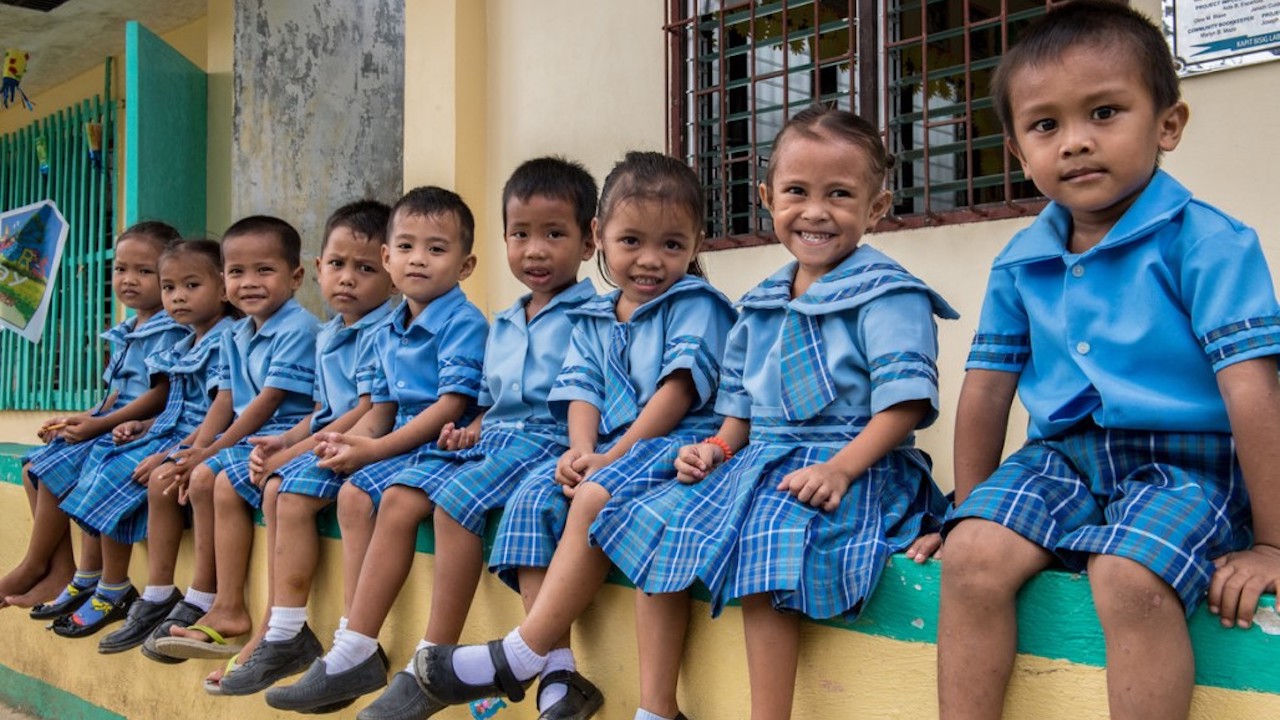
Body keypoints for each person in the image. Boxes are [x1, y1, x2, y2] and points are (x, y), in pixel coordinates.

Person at [937, 3, 1280, 719]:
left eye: (1104, 112)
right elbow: (985, 393)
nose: (1075, 143)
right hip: (1061, 458)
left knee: (1126, 576)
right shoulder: (1019, 260)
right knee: (970, 559)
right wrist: (965, 512)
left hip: (1186, 461)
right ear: (1018, 150)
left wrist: (1274, 543)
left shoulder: (1208, 243)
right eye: (1045, 125)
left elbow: (1253, 392)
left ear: (1167, 125)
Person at [588, 107, 953, 720]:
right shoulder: (759, 305)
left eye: (840, 194)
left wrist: (839, 469)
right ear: (767, 198)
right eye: (797, 192)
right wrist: (716, 449)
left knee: (770, 538)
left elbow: (906, 405)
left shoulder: (890, 293)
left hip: (856, 463)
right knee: (653, 519)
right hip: (762, 460)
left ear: (877, 207)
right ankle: (656, 708)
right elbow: (739, 418)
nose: (815, 211)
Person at [266, 157, 601, 718]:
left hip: (548, 443)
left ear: (589, 242)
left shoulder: (592, 313)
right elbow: (489, 400)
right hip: (494, 439)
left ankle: (434, 664)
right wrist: (471, 427)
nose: (536, 250)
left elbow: (590, 392)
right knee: (393, 497)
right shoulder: (508, 319)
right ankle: (355, 648)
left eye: (554, 234)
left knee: (457, 503)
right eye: (520, 235)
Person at [413, 151, 738, 720]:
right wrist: (581, 448)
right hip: (616, 445)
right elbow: (582, 389)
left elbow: (678, 393)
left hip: (676, 443)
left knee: (593, 496)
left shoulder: (697, 304)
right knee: (535, 496)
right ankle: (559, 670)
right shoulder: (594, 315)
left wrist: (610, 455)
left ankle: (523, 650)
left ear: (695, 243)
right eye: (632, 240)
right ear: (601, 236)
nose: (649, 261)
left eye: (671, 245)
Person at [265, 185, 489, 714]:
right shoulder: (389, 327)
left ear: (466, 264)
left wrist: (372, 450)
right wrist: (349, 443)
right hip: (403, 443)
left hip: (444, 443)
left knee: (394, 499)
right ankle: (354, 646)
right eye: (406, 247)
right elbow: (382, 407)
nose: (418, 260)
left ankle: (378, 653)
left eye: (437, 249)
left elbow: (449, 408)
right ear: (388, 258)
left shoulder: (463, 322)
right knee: (350, 496)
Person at [205, 200, 396, 696]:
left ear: (392, 273)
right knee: (274, 488)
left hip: (372, 442)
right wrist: (283, 441)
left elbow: (368, 411)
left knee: (287, 490)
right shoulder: (331, 332)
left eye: (365, 268)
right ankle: (282, 631)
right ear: (317, 270)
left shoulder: (384, 331)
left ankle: (336, 640)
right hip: (333, 437)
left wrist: (296, 450)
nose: (347, 279)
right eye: (337, 265)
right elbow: (324, 408)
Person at [148, 215, 321, 660]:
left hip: (281, 436)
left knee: (215, 478)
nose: (249, 283)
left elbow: (267, 402)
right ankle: (207, 597)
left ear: (295, 276)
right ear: (224, 282)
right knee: (198, 474)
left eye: (264, 270)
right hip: (246, 438)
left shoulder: (299, 328)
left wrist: (212, 450)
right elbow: (226, 399)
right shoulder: (237, 333)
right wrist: (194, 450)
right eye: (237, 272)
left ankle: (227, 607)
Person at [51, 239, 236, 645]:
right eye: (170, 288)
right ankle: (111, 584)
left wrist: (173, 452)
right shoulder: (188, 340)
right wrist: (143, 425)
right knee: (102, 456)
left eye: (191, 285)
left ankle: (145, 590)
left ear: (222, 288)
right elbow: (176, 404)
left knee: (136, 474)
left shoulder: (229, 338)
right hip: (169, 432)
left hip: (201, 440)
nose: (177, 297)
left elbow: (221, 408)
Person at [0, 221, 186, 614]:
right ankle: (58, 569)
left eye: (144, 271)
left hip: (144, 430)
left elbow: (160, 393)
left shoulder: (169, 329)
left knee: (60, 468)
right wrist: (79, 418)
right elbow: (119, 392)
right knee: (35, 466)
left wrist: (99, 425)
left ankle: (39, 566)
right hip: (116, 420)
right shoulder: (130, 327)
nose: (129, 280)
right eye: (120, 269)